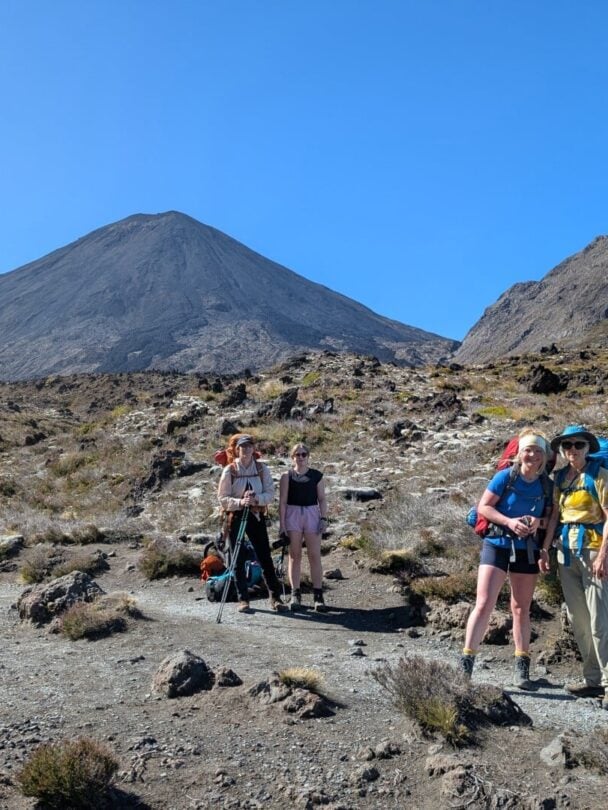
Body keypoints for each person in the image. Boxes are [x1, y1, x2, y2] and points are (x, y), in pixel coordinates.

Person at [460, 429, 554, 688]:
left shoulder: (547, 485)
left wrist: (538, 522)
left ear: (544, 456)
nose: (532, 455)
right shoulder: (505, 478)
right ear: (519, 453)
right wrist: (509, 522)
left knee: (521, 608)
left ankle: (522, 669)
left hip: (527, 549)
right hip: (497, 545)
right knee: (484, 603)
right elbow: (484, 507)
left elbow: (552, 519)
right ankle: (465, 666)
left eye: (537, 450)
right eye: (528, 449)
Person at [543, 425, 608, 706]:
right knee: (578, 619)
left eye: (578, 445)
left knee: (599, 619)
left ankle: (607, 681)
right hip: (565, 552)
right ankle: (593, 679)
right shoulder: (560, 478)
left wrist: (604, 555)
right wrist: (545, 549)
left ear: (588, 448)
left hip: (594, 550)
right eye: (567, 445)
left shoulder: (599, 475)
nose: (573, 450)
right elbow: (556, 515)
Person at [217, 434, 287, 613]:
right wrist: (240, 502)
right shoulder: (230, 470)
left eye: (249, 446)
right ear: (237, 449)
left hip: (256, 516)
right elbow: (222, 498)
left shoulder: (262, 469)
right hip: (236, 518)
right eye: (243, 447)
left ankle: (275, 598)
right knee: (238, 559)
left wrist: (256, 500)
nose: (246, 450)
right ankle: (243, 600)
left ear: (253, 449)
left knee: (264, 556)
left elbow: (270, 494)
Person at [279, 443, 328, 612]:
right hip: (292, 514)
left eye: (303, 454)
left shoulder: (316, 476)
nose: (300, 457)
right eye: (297, 454)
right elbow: (283, 502)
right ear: (292, 457)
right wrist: (282, 525)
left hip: (312, 514)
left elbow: (321, 498)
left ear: (308, 456)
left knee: (314, 555)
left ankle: (318, 595)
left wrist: (323, 518)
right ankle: (295, 594)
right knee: (295, 555)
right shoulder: (287, 476)